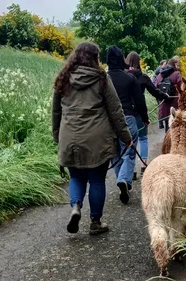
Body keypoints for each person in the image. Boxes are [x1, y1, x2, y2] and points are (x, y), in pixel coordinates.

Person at [52, 42, 132, 235]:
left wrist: (57, 136)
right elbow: (115, 110)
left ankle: (76, 207)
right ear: (95, 58)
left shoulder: (63, 78)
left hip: (69, 136)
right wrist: (126, 136)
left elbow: (56, 112)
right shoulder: (101, 78)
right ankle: (95, 221)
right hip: (97, 137)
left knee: (77, 177)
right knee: (96, 180)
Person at [106, 45, 149, 203]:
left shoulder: (103, 78)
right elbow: (140, 101)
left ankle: (121, 180)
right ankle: (124, 179)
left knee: (115, 154)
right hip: (128, 118)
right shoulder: (129, 78)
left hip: (108, 121)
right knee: (130, 152)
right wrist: (144, 118)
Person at [125, 51, 170, 179]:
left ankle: (131, 169)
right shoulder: (143, 77)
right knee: (143, 138)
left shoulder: (123, 76)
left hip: (125, 112)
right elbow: (155, 91)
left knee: (130, 140)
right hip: (139, 112)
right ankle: (144, 164)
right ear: (138, 62)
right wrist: (164, 96)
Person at [155, 56, 183, 132]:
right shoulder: (176, 74)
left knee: (167, 126)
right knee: (175, 127)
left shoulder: (160, 75)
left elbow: (155, 88)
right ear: (174, 65)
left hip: (163, 104)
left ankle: (167, 141)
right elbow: (182, 88)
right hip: (174, 105)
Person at [152, 60, 168, 129]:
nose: (166, 65)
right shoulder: (160, 70)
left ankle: (161, 122)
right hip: (159, 90)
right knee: (161, 106)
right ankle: (161, 122)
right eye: (165, 64)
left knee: (160, 106)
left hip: (158, 90)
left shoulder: (159, 70)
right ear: (161, 64)